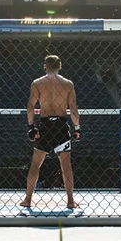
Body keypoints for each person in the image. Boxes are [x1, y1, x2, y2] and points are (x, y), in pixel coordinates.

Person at [20, 55, 81, 209]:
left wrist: (31, 127)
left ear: (45, 66)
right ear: (60, 66)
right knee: (66, 166)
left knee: (35, 164)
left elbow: (30, 107)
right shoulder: (67, 84)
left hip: (46, 126)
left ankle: (28, 199)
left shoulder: (38, 83)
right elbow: (73, 109)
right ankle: (70, 201)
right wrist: (77, 128)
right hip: (61, 125)